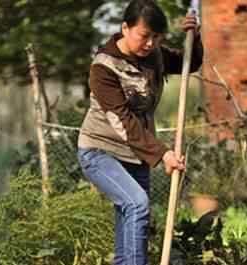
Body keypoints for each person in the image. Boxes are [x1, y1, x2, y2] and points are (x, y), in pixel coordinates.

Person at [77, 0, 203, 264]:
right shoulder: (103, 67)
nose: (150, 43)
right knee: (137, 204)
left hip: (135, 155)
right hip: (99, 151)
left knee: (131, 219)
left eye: (156, 38)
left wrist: (194, 36)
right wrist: (163, 153)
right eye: (145, 36)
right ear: (125, 27)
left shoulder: (154, 53)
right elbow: (123, 122)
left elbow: (188, 63)